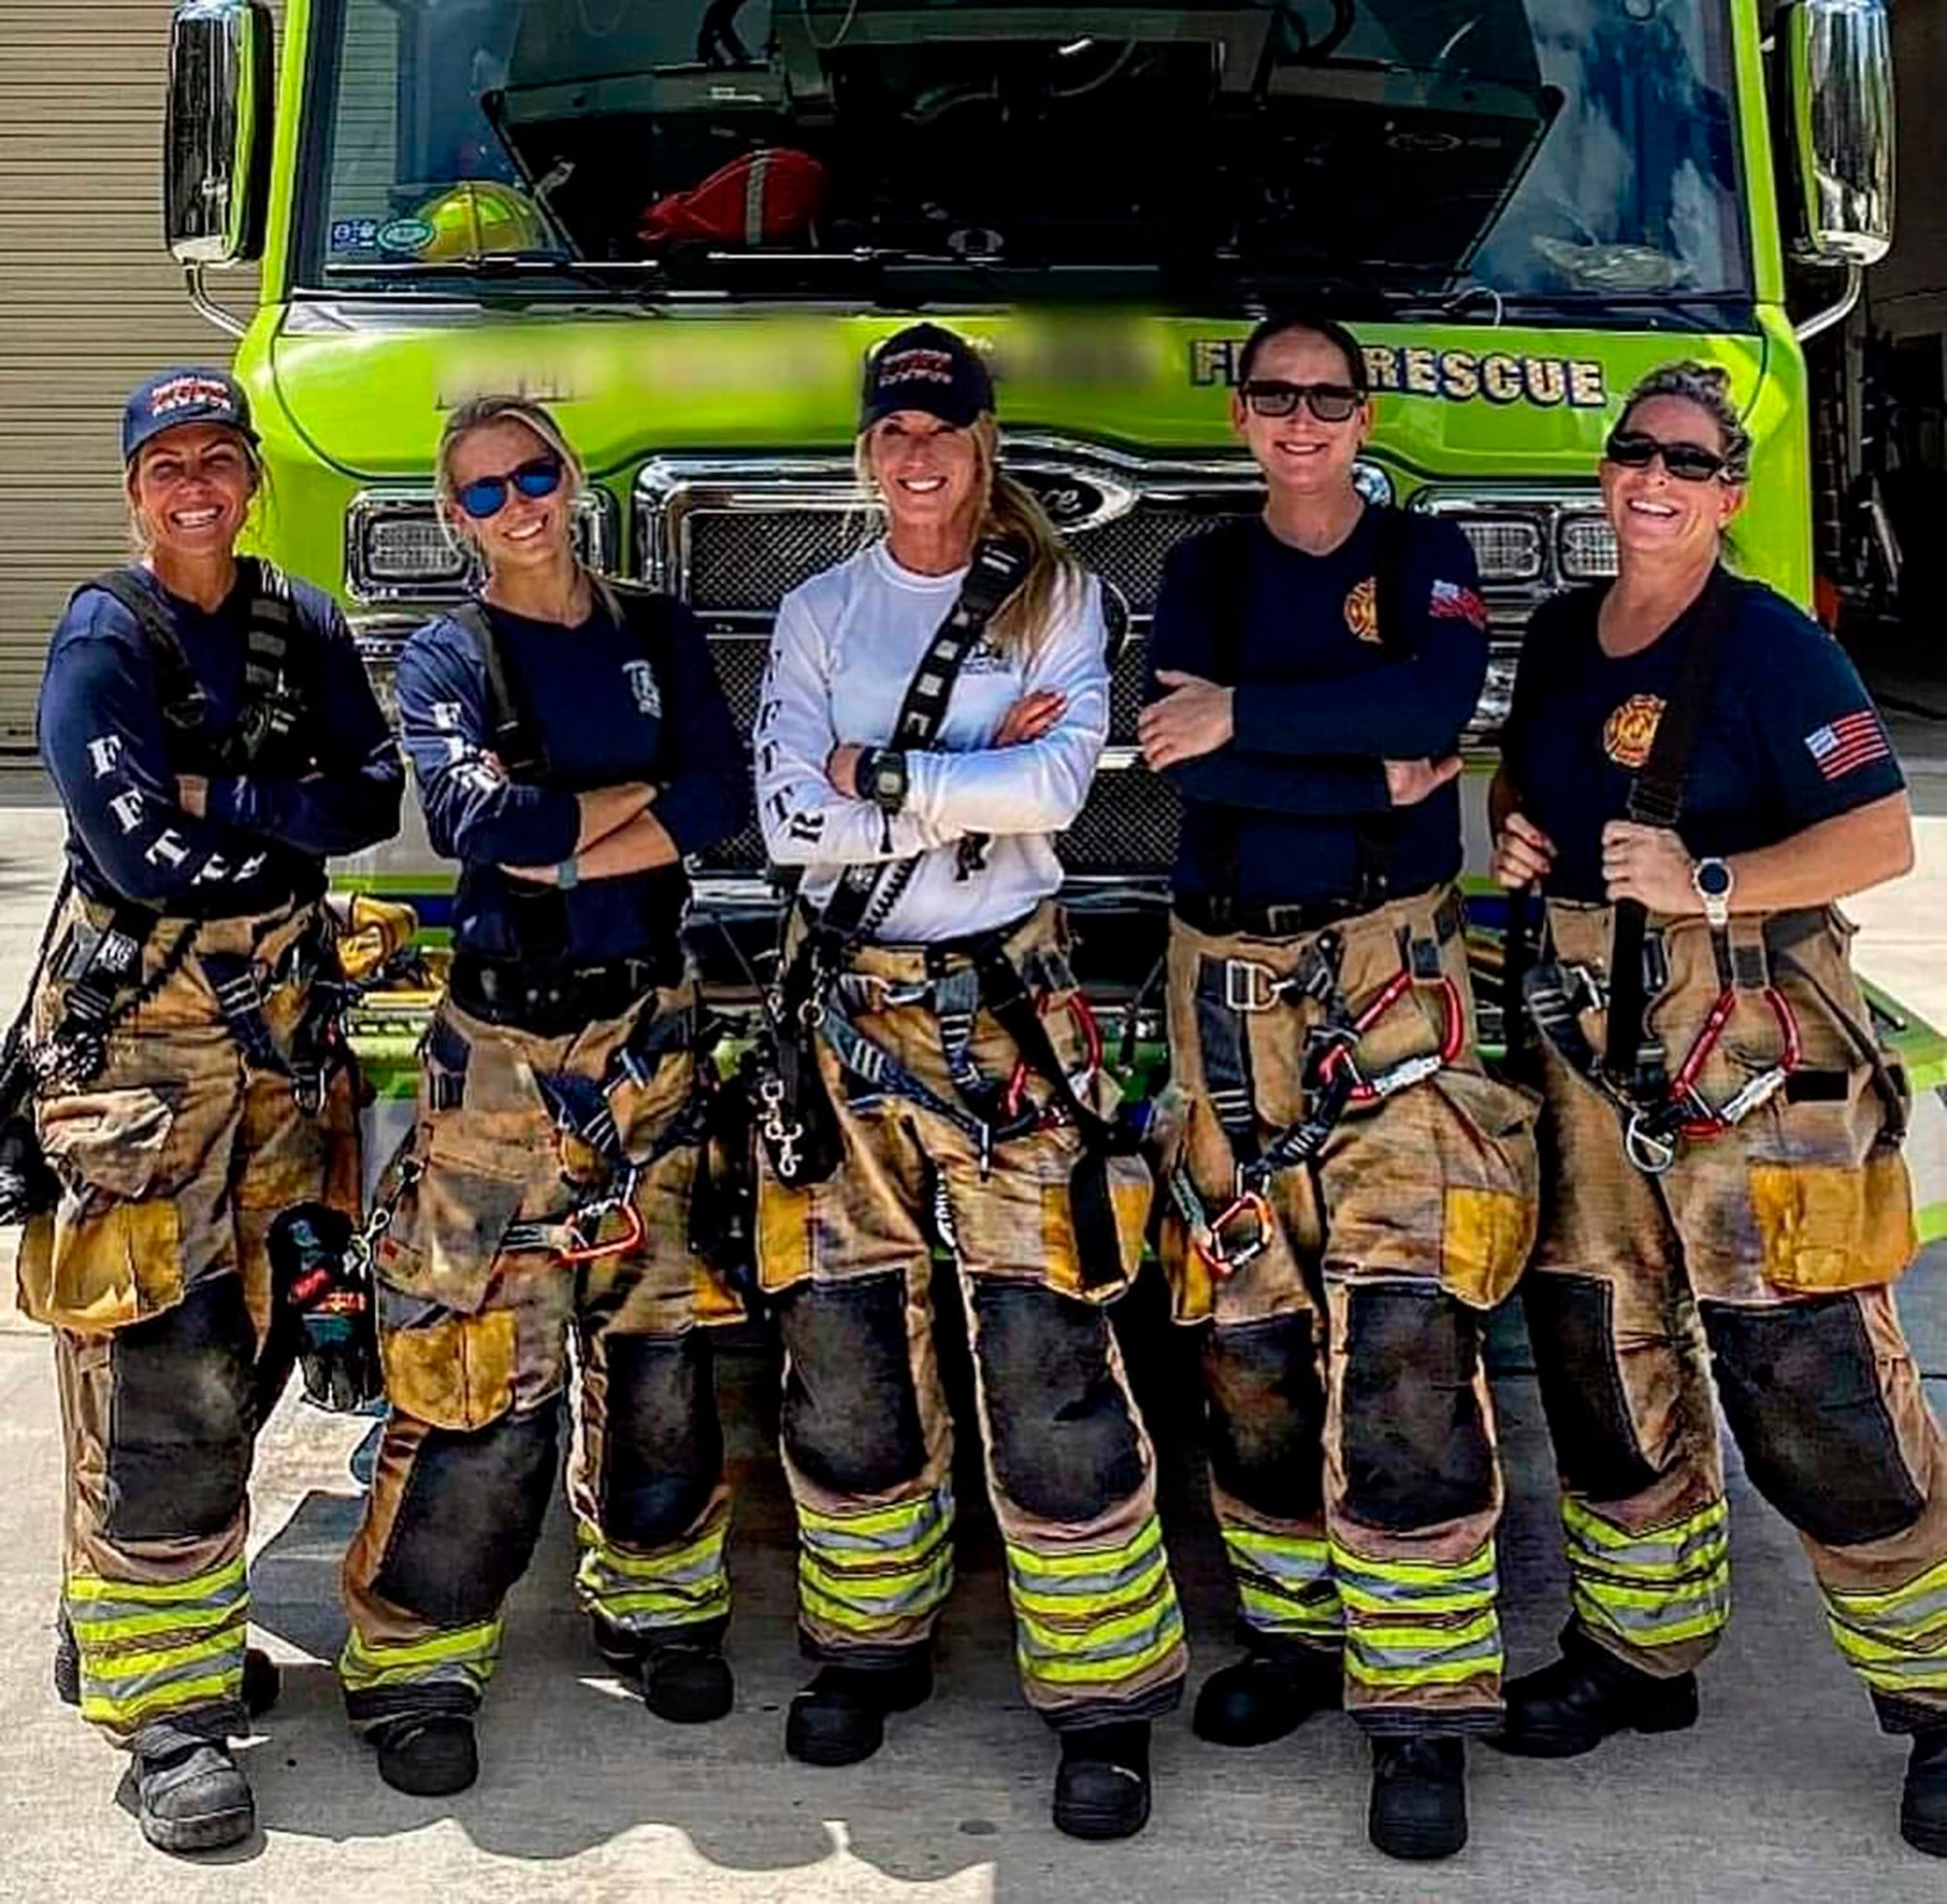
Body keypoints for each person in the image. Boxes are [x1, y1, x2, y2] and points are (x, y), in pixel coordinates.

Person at [1489, 360, 1947, 1856]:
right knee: (1598, 1346)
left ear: (1729, 493)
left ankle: (1939, 1696)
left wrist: (1711, 880)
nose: (1655, 481)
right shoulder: (1566, 633)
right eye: (1635, 455)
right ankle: (1640, 1654)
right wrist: (1520, 832)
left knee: (1804, 1369)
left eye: (1688, 462)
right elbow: (1540, 787)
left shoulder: (1774, 648)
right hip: (1585, 1035)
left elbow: (1878, 835)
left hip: (1743, 1034)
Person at [753, 323, 1182, 1841]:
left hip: (1011, 1018)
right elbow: (787, 821)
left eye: (942, 429)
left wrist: (880, 776)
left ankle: (1102, 1695)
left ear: (982, 442)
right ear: (865, 455)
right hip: (845, 1018)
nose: (916, 456)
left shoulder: (1063, 597)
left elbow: (1059, 788)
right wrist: (949, 786)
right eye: (891, 434)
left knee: (1046, 1345)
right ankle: (867, 1647)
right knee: (847, 1343)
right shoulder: (818, 606)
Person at [1139, 311, 1539, 1861]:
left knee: (1408, 1330)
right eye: (1275, 398)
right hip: (1220, 993)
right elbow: (1175, 759)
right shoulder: (1202, 571)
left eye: (1327, 397)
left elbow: (1432, 715)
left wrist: (1250, 717)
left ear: (1362, 415)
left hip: (1390, 988)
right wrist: (1342, 762)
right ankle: (1297, 1637)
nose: (1301, 421)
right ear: (1242, 419)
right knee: (1244, 1336)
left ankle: (1425, 1700)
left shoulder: (1427, 553)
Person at [337, 396, 750, 1796]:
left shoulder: (654, 631)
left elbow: (720, 793)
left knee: (659, 1342)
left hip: (649, 1033)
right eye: (481, 492)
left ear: (570, 482)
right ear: (455, 520)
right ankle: (416, 1660)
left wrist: (571, 859)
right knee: (476, 1371)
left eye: (532, 476)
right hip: (501, 1061)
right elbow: (472, 824)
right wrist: (616, 823)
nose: (515, 506)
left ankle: (661, 1606)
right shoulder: (453, 653)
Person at [20, 368, 402, 1852]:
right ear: (134, 491)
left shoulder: (297, 621)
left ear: (250, 478)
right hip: (142, 1060)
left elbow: (366, 801)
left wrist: (229, 806)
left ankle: (120, 1617)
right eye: (166, 463)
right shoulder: (102, 636)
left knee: (260, 1339)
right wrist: (276, 822)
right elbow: (133, 847)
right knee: (154, 1364)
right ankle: (169, 1717)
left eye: (218, 460)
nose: (195, 485)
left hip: (283, 1050)